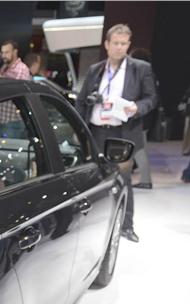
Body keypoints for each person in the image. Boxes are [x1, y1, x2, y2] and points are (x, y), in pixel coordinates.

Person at [76, 23, 157, 243]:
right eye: (116, 43)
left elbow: (151, 98)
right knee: (93, 178)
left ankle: (126, 226)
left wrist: (137, 108)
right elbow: (82, 101)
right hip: (96, 132)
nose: (120, 47)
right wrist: (79, 130)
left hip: (122, 134)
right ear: (107, 44)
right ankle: (93, 223)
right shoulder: (96, 70)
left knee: (123, 179)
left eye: (124, 43)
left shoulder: (140, 69)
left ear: (128, 45)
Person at [129, 47, 157, 189]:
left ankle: (145, 181)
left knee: (138, 150)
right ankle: (143, 179)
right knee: (138, 149)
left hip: (138, 118)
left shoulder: (141, 75)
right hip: (144, 118)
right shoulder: (149, 75)